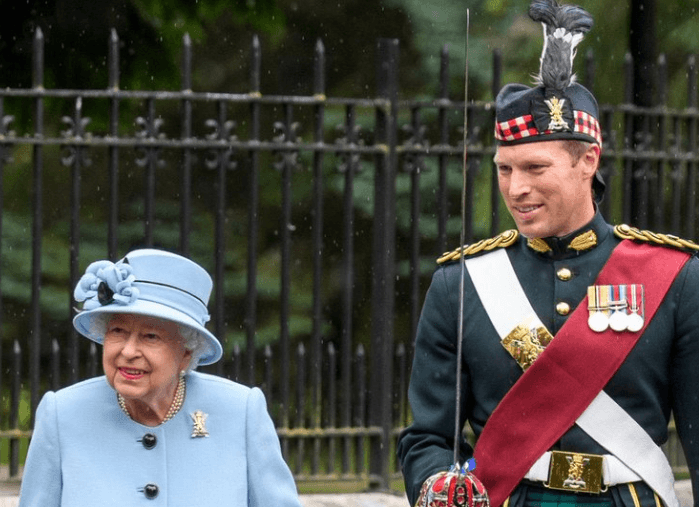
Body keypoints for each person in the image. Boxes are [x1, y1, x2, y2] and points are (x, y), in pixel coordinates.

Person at [397, 1, 699, 507]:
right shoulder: (462, 283)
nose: (516, 188)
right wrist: (435, 483)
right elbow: (428, 437)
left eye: (535, 168)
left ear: (588, 161)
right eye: (504, 169)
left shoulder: (676, 277)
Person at [19, 248, 303, 507]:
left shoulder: (240, 411)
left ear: (186, 354)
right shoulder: (63, 414)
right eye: (117, 331)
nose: (128, 351)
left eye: (150, 336)